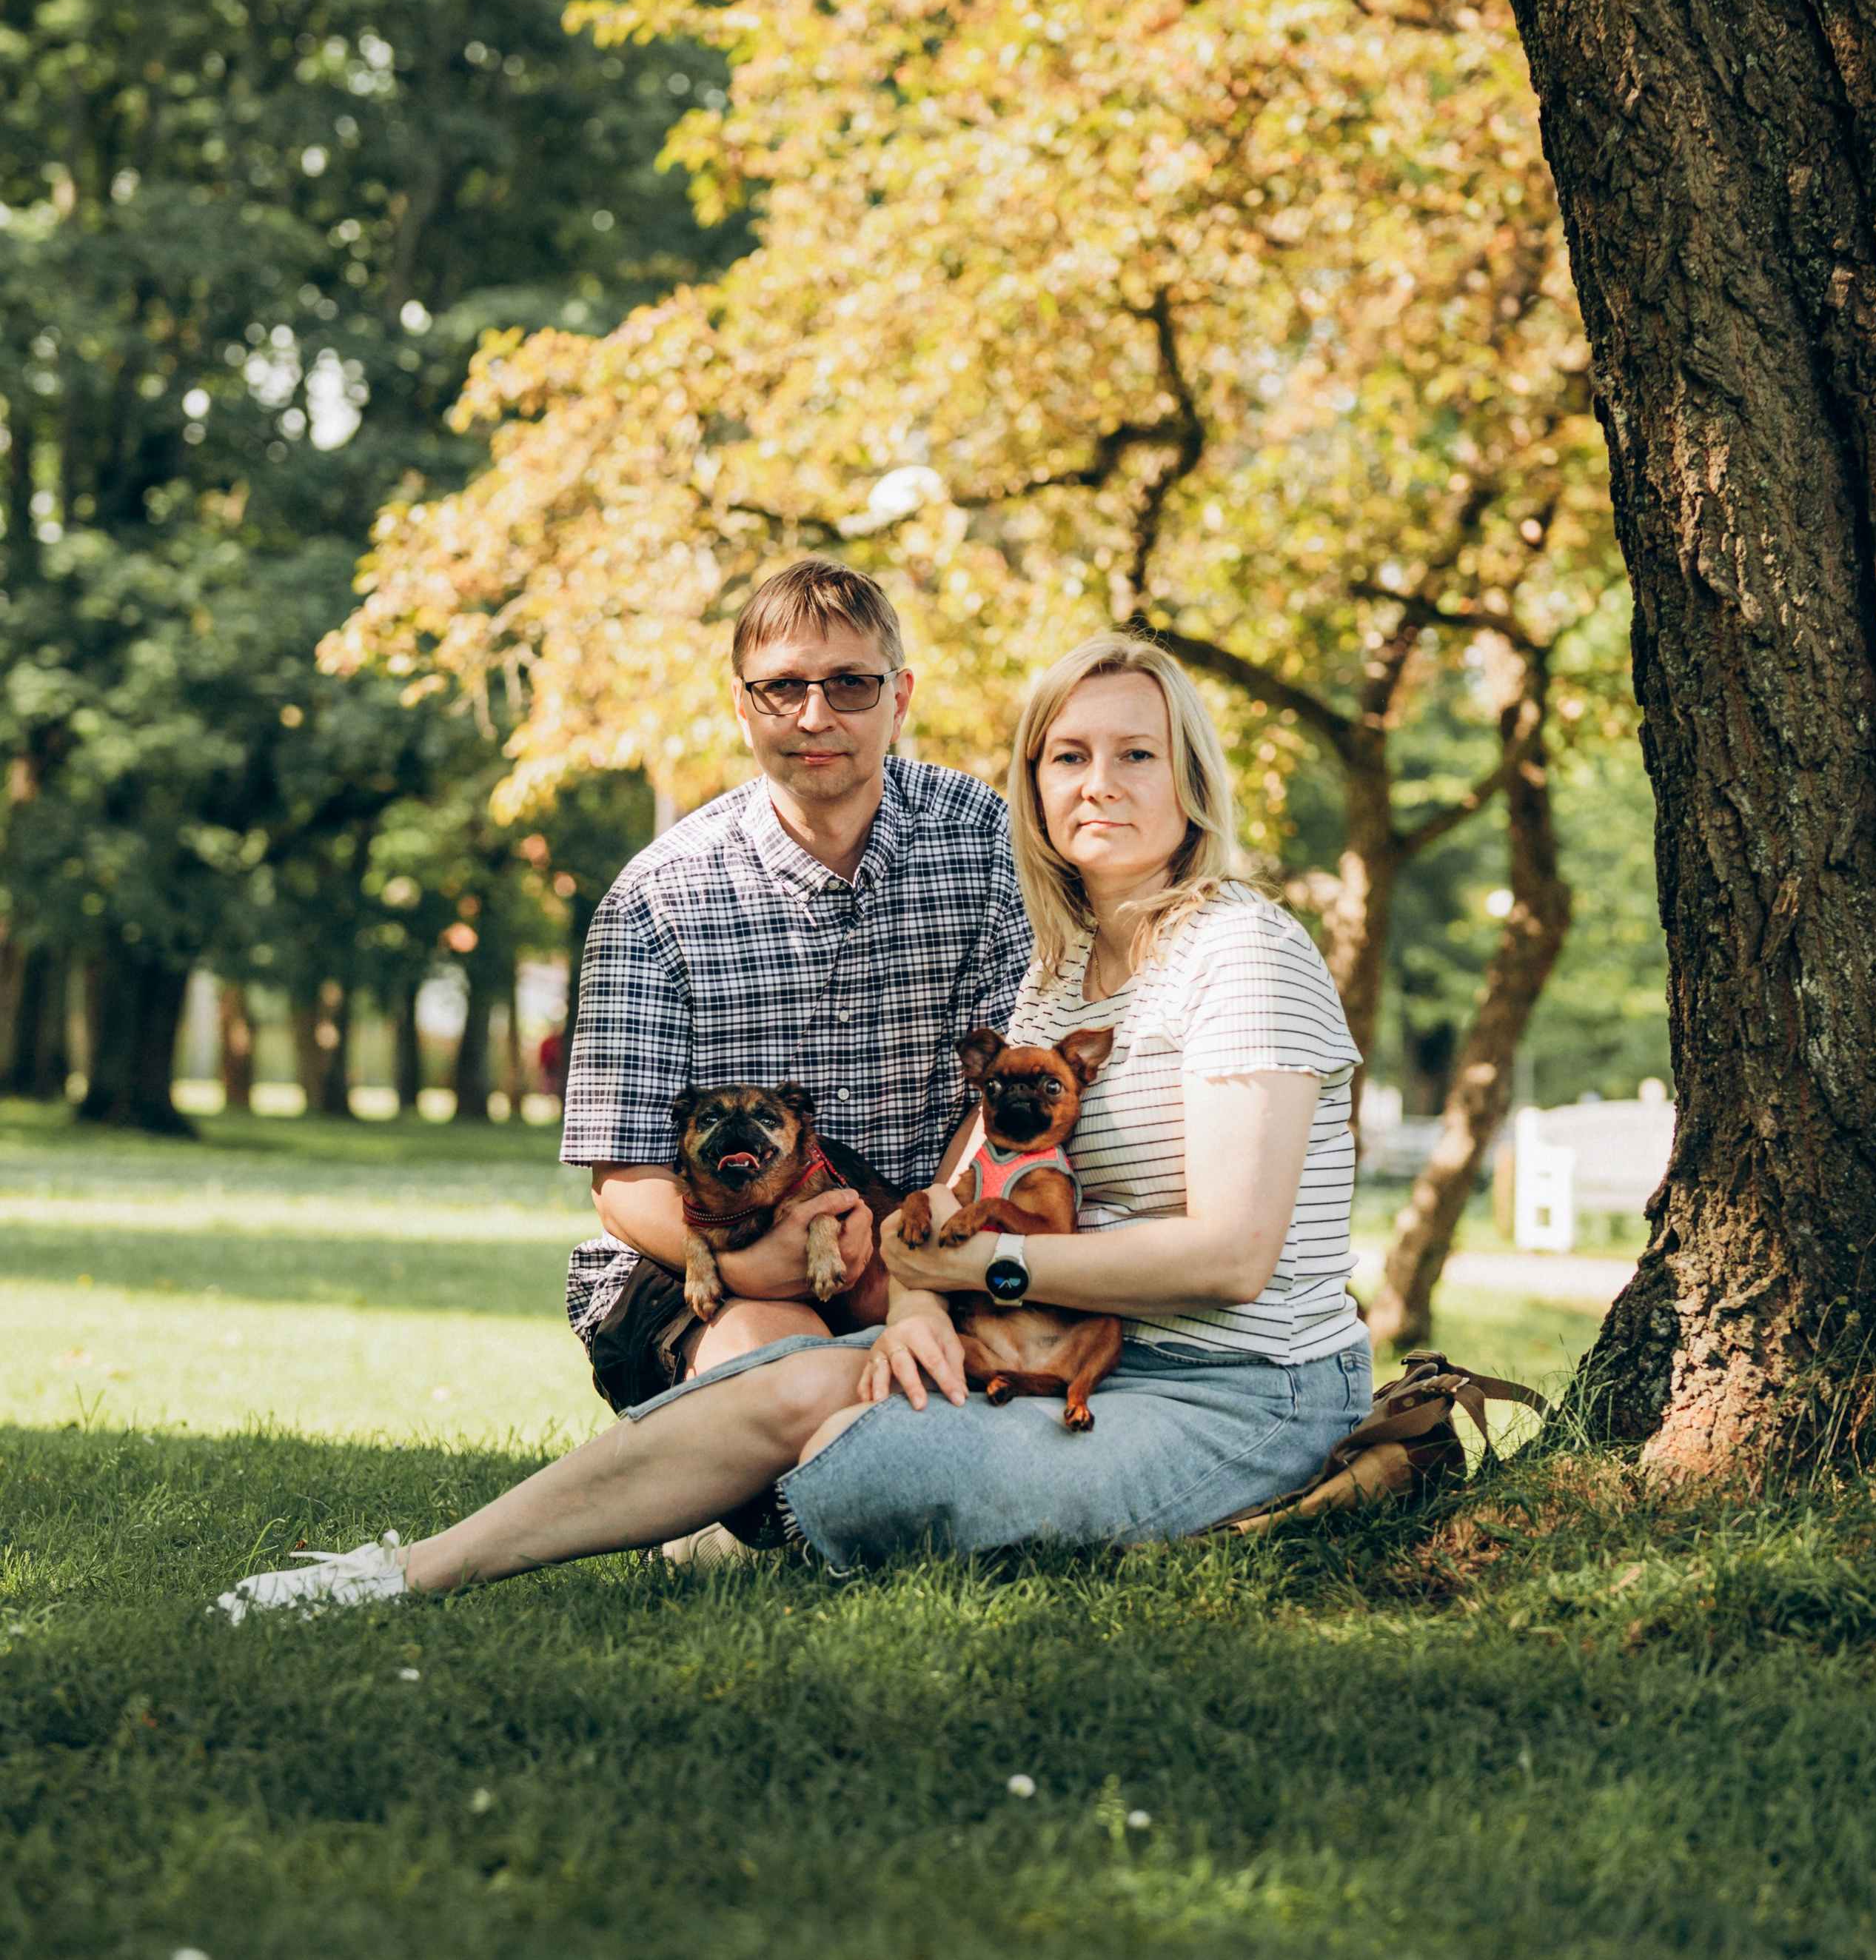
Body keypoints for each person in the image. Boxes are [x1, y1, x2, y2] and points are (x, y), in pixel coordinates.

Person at [215, 636, 1369, 1615]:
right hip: (1074, 1345)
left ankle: (749, 1527)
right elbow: (947, 1210)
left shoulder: (1245, 953)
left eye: (1136, 756)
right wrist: (918, 1304)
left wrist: (984, 1269)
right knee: (781, 1391)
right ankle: (397, 1576)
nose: (1097, 784)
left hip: (1241, 1388)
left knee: (858, 1458)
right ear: (1033, 782)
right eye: (1067, 756)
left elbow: (1231, 1257)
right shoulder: (1061, 978)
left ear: (1192, 784)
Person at [559, 554, 1031, 1416]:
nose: (815, 716)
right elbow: (623, 1178)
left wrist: (916, 1241)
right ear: (742, 706)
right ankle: (721, 1501)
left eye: (850, 684)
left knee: (995, 1373)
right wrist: (747, 1260)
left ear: (900, 696)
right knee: (790, 1372)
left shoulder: (986, 842)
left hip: (929, 1233)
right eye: (781, 688)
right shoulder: (656, 898)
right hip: (708, 1261)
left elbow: (1005, 1091)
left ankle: (739, 1506)